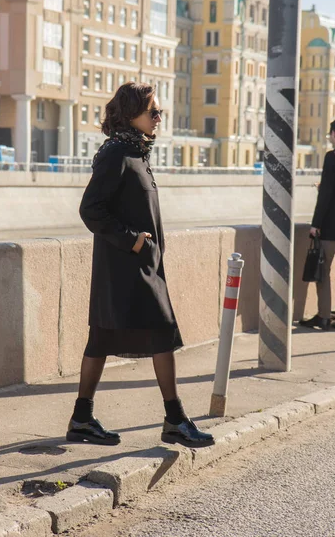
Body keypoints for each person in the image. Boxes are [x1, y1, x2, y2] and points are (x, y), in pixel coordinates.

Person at [66, 82, 214, 448]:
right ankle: (176, 420)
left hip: (137, 267)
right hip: (125, 268)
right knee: (159, 329)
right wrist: (132, 240)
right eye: (153, 112)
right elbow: (90, 209)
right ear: (132, 113)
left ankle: (81, 419)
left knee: (102, 338)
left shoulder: (136, 152)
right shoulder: (117, 153)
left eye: (159, 111)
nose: (159, 117)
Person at [300, 118, 335, 332]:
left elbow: (327, 195)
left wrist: (315, 224)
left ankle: (323, 317)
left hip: (331, 227)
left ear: (334, 134)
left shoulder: (333, 157)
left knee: (322, 270)